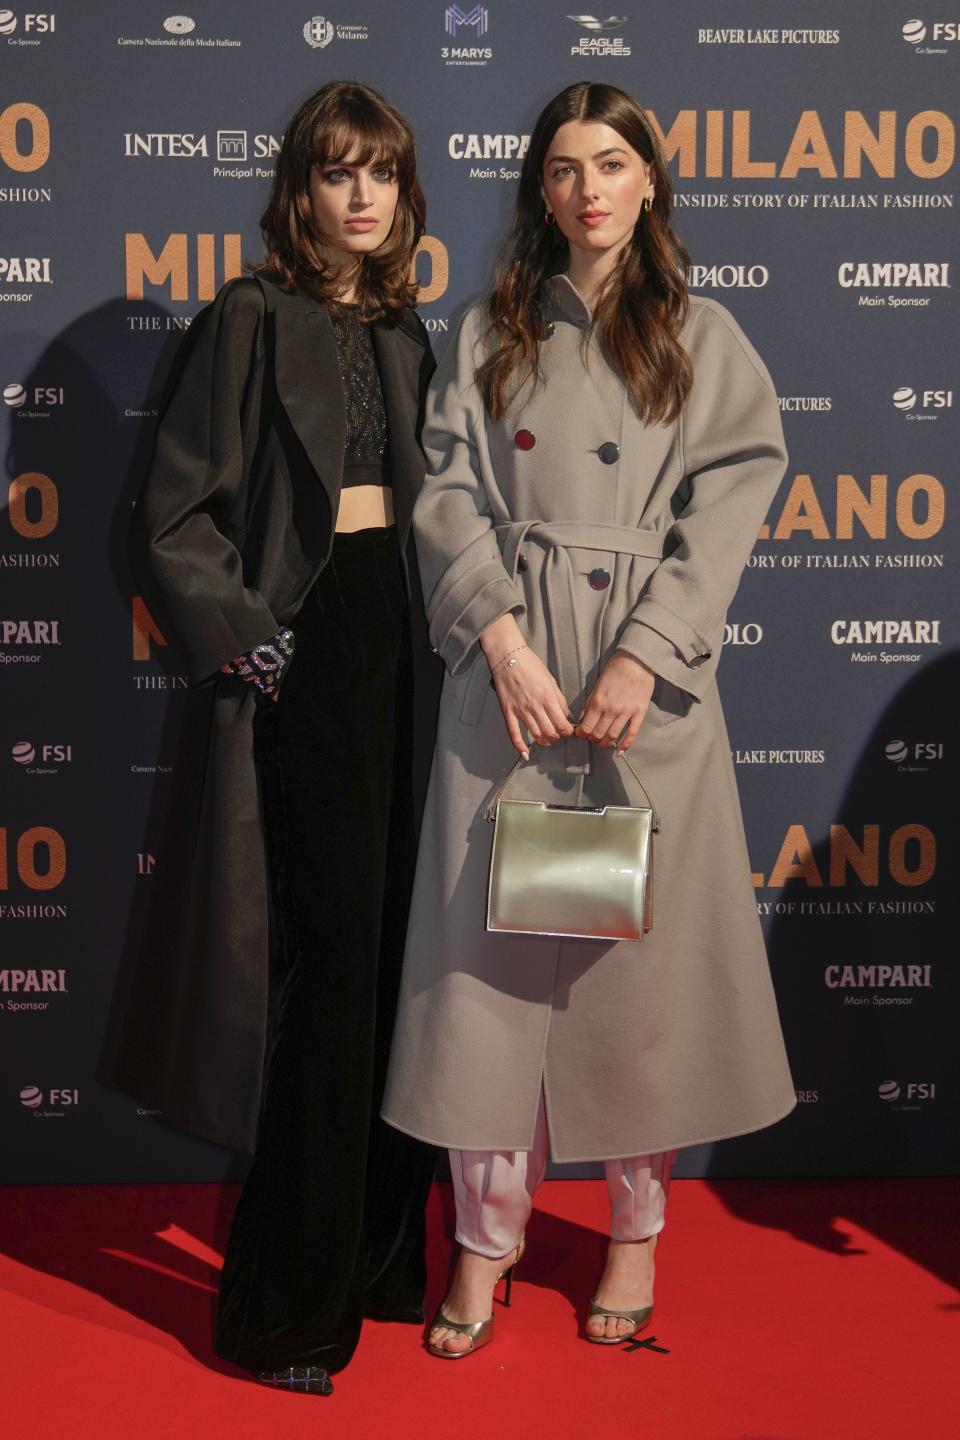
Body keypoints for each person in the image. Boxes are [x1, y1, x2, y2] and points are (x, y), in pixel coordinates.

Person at [381, 80, 796, 1356]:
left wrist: (649, 655)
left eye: (611, 163)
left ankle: (632, 1237)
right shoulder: (490, 329)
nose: (589, 189)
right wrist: (499, 637)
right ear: (539, 191)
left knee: (637, 989)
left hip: (637, 702)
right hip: (508, 687)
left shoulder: (701, 335)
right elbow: (444, 490)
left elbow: (729, 500)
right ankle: (482, 1245)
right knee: (483, 992)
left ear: (652, 180)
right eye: (563, 168)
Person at [112, 82, 441, 1394]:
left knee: (398, 968)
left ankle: (376, 1260)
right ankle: (283, 1309)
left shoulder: (413, 333)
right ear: (298, 190)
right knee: (328, 977)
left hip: (412, 657)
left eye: (380, 175)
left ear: (405, 195)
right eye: (333, 173)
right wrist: (260, 646)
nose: (358, 197)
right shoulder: (247, 317)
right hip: (307, 648)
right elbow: (171, 520)